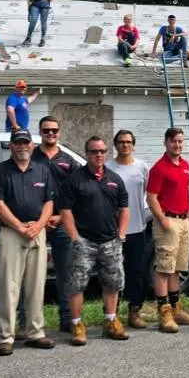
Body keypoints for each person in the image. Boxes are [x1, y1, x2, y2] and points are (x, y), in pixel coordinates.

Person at [0, 129, 57, 355]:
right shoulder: (0, 171)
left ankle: (35, 332)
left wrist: (38, 226)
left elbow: (49, 203)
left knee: (37, 285)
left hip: (37, 230)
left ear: (32, 146)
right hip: (11, 232)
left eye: (26, 143)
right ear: (11, 146)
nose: (22, 147)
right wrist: (19, 227)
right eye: (18, 143)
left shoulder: (42, 170)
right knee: (9, 286)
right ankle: (5, 337)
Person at [59, 136, 130, 346]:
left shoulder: (115, 179)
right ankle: (77, 324)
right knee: (77, 285)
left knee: (113, 283)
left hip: (111, 241)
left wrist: (121, 233)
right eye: (94, 151)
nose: (98, 155)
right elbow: (65, 210)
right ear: (87, 153)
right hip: (84, 242)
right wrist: (74, 237)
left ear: (106, 153)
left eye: (102, 151)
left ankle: (110, 320)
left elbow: (124, 208)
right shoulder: (75, 179)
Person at [146, 127, 189, 332]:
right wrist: (162, 220)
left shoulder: (185, 165)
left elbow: (183, 193)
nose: (177, 145)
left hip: (184, 221)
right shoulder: (159, 168)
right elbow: (151, 197)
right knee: (164, 268)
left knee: (177, 268)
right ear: (166, 143)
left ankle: (176, 308)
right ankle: (164, 312)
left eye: (180, 141)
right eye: (173, 141)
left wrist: (188, 218)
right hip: (167, 222)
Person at [30, 116, 75, 332]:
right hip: (34, 224)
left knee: (65, 273)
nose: (50, 134)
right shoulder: (30, 157)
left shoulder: (68, 160)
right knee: (29, 274)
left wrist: (61, 216)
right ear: (40, 132)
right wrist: (40, 220)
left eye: (54, 130)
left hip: (60, 222)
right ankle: (26, 321)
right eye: (46, 130)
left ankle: (67, 318)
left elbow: (77, 191)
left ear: (59, 132)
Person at [113, 129, 151, 329]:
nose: (125, 145)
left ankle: (134, 311)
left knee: (135, 272)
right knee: (113, 273)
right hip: (113, 229)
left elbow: (146, 193)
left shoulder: (142, 168)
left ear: (133, 145)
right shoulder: (108, 167)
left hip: (137, 227)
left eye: (128, 142)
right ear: (116, 145)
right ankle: (113, 313)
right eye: (121, 142)